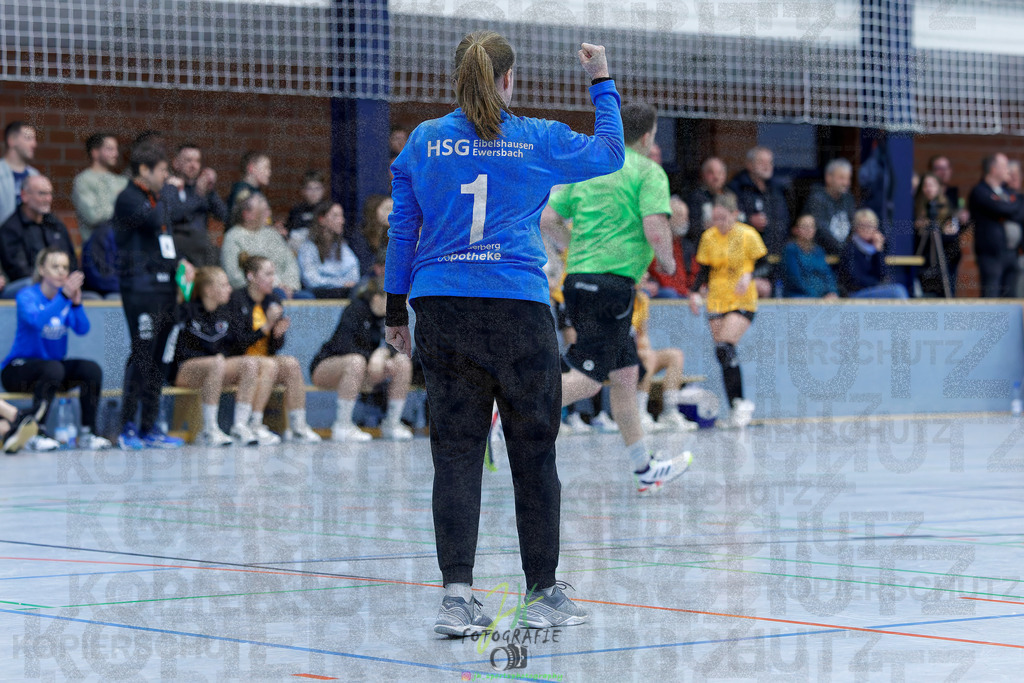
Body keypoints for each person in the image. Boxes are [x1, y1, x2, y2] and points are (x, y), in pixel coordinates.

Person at [385, 33, 623, 636]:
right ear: (509, 80)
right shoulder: (537, 137)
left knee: (457, 453)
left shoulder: (421, 142)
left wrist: (394, 315)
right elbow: (610, 153)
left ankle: (457, 598)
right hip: (517, 309)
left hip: (442, 306)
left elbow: (401, 234)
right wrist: (600, 79)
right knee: (533, 454)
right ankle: (543, 594)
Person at [541, 99, 693, 491]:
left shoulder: (591, 168)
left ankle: (644, 468)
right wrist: (670, 265)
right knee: (590, 380)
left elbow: (548, 218)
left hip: (579, 281)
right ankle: (507, 410)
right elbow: (656, 226)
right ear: (647, 136)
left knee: (626, 376)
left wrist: (572, 247)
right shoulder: (648, 171)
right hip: (611, 285)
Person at [113, 143, 188, 450]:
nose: (168, 177)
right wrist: (169, 193)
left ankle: (149, 426)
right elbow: (153, 221)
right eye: (163, 171)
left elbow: (166, 236)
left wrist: (179, 266)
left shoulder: (158, 199)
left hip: (165, 288)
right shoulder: (129, 198)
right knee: (142, 354)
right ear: (144, 170)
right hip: (140, 289)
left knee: (159, 358)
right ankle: (127, 426)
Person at [1, 247, 111, 450]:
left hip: (53, 370)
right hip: (18, 370)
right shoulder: (27, 296)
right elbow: (36, 322)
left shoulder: (66, 300)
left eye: (65, 267)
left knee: (90, 369)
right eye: (55, 266)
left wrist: (76, 304)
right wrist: (64, 297)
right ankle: (36, 432)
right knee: (53, 368)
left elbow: (82, 328)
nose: (62, 272)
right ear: (42, 270)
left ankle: (88, 433)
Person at [687, 193, 765, 429]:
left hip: (742, 298)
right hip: (717, 299)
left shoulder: (747, 234)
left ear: (734, 214)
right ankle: (735, 407)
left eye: (722, 218)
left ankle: (741, 403)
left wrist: (749, 274)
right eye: (714, 219)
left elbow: (765, 263)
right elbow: (704, 270)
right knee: (723, 354)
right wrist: (693, 292)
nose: (718, 223)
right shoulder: (709, 237)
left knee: (725, 346)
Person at [225, 253, 321, 444]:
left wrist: (277, 335)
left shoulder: (273, 299)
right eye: (268, 274)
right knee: (268, 365)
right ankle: (253, 423)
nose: (273, 279)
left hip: (264, 360)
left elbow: (274, 346)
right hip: (238, 359)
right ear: (251, 276)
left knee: (292, 364)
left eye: (273, 274)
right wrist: (267, 327)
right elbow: (235, 342)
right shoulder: (236, 299)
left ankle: (298, 426)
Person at [167, 266, 262, 446]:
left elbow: (237, 345)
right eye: (224, 285)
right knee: (217, 362)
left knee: (249, 363)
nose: (230, 289)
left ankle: (240, 426)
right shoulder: (187, 310)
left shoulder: (226, 313)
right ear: (209, 290)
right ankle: (209, 429)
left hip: (215, 369)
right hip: (184, 370)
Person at [311, 279, 413, 442]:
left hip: (366, 372)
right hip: (329, 367)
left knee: (402, 362)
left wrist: (383, 354)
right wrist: (372, 357)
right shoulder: (355, 309)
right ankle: (342, 425)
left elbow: (398, 345)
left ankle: (392, 423)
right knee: (356, 362)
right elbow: (344, 346)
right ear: (377, 299)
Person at [632, 281, 698, 433]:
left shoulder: (642, 299)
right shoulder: (614, 298)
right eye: (642, 273)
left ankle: (669, 412)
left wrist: (644, 348)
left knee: (675, 355)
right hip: (616, 358)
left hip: (637, 354)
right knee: (646, 357)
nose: (646, 278)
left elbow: (643, 335)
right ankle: (639, 414)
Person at [0, 175, 79, 299]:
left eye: (50, 194)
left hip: (60, 285)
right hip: (27, 288)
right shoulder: (10, 229)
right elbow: (18, 271)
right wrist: (51, 280)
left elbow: (72, 262)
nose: (48, 199)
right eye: (42, 194)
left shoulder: (56, 225)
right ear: (24, 196)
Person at [221, 192, 310, 299]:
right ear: (247, 215)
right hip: (253, 293)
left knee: (307, 297)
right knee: (278, 295)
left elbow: (290, 263)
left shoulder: (273, 234)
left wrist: (290, 286)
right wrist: (271, 285)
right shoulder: (233, 237)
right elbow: (234, 276)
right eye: (263, 211)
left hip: (285, 289)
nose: (268, 214)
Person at [162, 143, 228, 267]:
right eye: (188, 160)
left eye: (197, 161)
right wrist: (199, 195)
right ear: (176, 163)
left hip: (203, 251)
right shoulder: (170, 186)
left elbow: (224, 215)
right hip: (180, 252)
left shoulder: (203, 188)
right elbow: (175, 215)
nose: (193, 165)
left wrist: (211, 189)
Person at [968, 153, 1022, 298]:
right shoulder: (980, 191)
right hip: (991, 254)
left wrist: (1008, 208)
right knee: (992, 295)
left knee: (1011, 296)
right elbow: (1003, 208)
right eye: (1004, 167)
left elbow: (1018, 210)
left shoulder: (1008, 192)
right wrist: (1008, 208)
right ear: (993, 169)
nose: (1008, 171)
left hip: (1011, 253)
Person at [838, 208, 908, 299]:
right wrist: (877, 284)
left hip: (874, 289)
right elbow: (854, 280)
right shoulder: (850, 248)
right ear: (856, 227)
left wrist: (878, 251)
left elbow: (883, 275)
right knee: (897, 292)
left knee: (899, 289)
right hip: (855, 293)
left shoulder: (875, 249)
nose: (866, 229)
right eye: (862, 225)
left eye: (870, 225)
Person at [298, 201, 362, 298]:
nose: (342, 221)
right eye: (336, 216)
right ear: (322, 220)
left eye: (342, 216)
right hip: (320, 292)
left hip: (344, 291)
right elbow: (311, 280)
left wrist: (344, 284)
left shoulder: (342, 246)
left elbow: (354, 273)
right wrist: (341, 283)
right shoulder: (308, 247)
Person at [72, 132, 128, 242]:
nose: (116, 154)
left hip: (121, 246)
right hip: (95, 247)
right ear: (95, 153)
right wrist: (121, 206)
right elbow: (93, 216)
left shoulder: (122, 181)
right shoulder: (83, 180)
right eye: (110, 149)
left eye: (116, 149)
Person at [913, 173, 959, 298]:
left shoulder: (948, 209)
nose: (929, 189)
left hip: (944, 263)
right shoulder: (915, 210)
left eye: (932, 185)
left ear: (939, 188)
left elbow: (954, 239)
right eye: (925, 186)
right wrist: (919, 227)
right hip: (923, 263)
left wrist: (942, 231)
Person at [647, 196, 699, 299]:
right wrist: (687, 293)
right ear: (667, 218)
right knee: (670, 294)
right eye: (680, 216)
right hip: (666, 293)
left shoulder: (686, 246)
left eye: (686, 216)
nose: (685, 221)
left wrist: (695, 290)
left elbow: (695, 275)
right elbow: (662, 278)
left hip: (684, 294)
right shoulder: (656, 243)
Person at [803, 158, 856, 256]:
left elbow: (854, 225)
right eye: (841, 178)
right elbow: (821, 230)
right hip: (819, 256)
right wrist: (845, 250)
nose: (846, 183)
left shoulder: (848, 199)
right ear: (828, 177)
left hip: (844, 257)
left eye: (848, 178)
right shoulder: (817, 199)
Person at [780, 215, 839, 299]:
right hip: (799, 295)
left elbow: (828, 275)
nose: (808, 230)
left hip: (823, 297)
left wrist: (832, 292)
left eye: (811, 226)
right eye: (804, 227)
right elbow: (795, 279)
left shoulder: (819, 251)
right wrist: (818, 296)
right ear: (796, 230)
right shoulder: (790, 250)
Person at [0, 121, 39, 224]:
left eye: (34, 139)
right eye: (28, 138)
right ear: (11, 140)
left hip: (29, 237)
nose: (34, 144)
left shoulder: (35, 175)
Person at [686, 157, 729, 246]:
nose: (716, 177)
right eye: (711, 173)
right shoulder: (695, 198)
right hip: (704, 250)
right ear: (703, 175)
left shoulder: (731, 196)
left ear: (725, 175)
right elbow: (691, 228)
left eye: (720, 173)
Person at [226, 151, 271, 221]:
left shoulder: (256, 191)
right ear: (251, 168)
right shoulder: (242, 192)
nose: (269, 173)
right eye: (266, 167)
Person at [285, 170, 327, 244]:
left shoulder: (327, 210)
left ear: (323, 190)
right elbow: (289, 231)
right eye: (309, 189)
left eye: (317, 188)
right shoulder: (296, 211)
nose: (314, 192)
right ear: (303, 191)